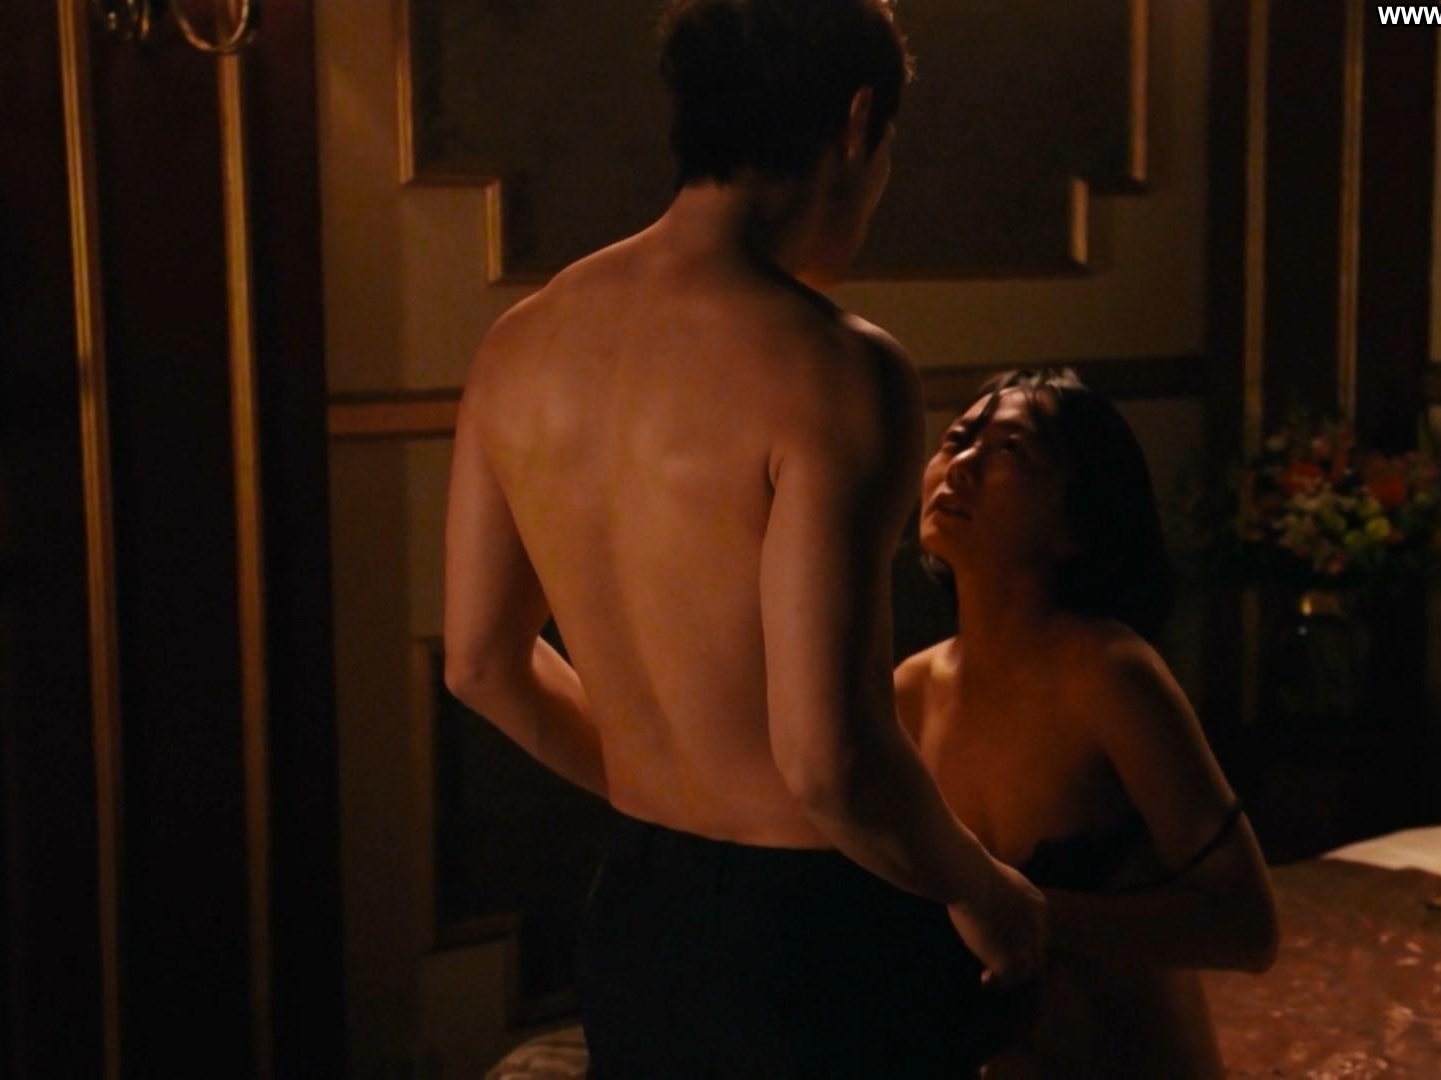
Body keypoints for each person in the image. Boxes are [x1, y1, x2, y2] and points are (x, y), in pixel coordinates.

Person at [441, 2, 1046, 1075]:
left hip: (637, 913)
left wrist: (661, 783)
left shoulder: (518, 344)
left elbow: (482, 664)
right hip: (808, 935)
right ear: (855, 124)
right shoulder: (835, 368)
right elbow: (828, 763)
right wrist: (985, 891)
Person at [896, 368, 1280, 1078]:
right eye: (955, 439)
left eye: (1011, 450)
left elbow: (1247, 928)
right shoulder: (909, 692)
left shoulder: (1108, 676)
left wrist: (1029, 912)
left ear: (1075, 526)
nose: (963, 464)